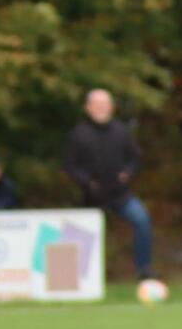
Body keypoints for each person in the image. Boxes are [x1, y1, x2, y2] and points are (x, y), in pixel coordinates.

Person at [64, 88, 154, 278]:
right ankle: (81, 277)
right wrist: (87, 182)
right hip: (91, 197)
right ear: (88, 108)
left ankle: (144, 270)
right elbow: (71, 166)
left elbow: (135, 158)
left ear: (111, 107)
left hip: (119, 194)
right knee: (81, 235)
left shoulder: (121, 131)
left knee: (142, 220)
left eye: (104, 105)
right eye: (96, 105)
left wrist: (127, 173)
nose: (101, 109)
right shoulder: (78, 134)